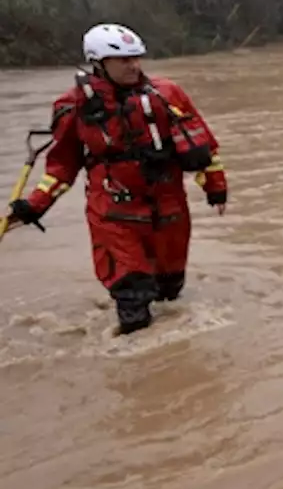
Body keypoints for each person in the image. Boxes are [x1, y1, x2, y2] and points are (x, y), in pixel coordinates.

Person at [5, 24, 228, 334]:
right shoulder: (73, 106)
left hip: (169, 208)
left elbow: (203, 144)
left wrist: (216, 188)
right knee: (133, 299)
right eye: (122, 60)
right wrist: (35, 205)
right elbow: (62, 165)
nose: (133, 65)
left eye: (136, 58)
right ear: (99, 62)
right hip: (114, 213)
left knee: (170, 292)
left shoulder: (168, 94)